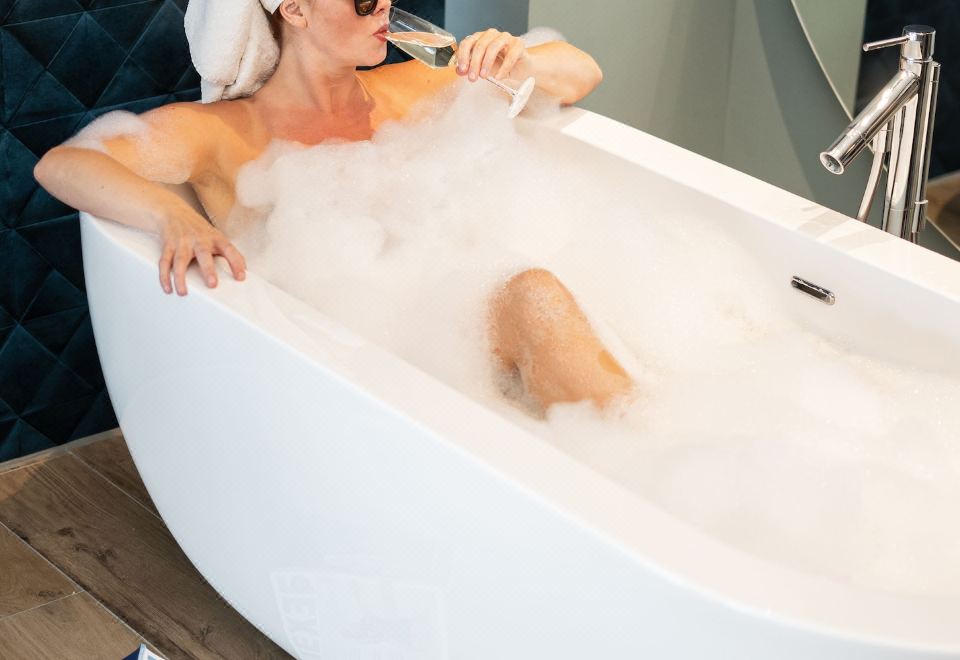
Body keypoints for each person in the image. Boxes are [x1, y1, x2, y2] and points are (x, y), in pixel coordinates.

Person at [33, 0, 633, 413]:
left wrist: (522, 62)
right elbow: (63, 164)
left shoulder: (412, 87)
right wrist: (171, 214)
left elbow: (582, 71)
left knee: (533, 290)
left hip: (448, 340)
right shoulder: (227, 132)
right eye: (364, 1)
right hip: (346, 376)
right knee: (531, 293)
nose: (385, 8)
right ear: (295, 10)